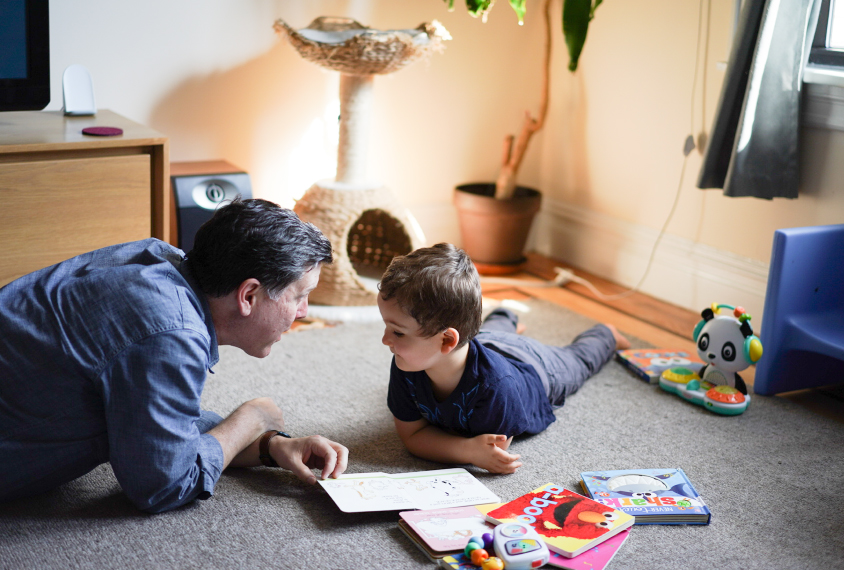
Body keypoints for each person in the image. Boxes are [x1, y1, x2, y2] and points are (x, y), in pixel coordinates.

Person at [0, 198, 348, 513]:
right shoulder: (170, 331)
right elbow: (163, 484)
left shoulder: (158, 258)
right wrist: (251, 418)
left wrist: (269, 444)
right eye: (298, 296)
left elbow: (157, 422)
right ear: (249, 295)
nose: (302, 312)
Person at [377, 243, 630, 474]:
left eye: (398, 332)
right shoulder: (406, 362)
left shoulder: (497, 386)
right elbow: (412, 437)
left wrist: (475, 452)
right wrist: (466, 449)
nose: (385, 340)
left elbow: (494, 452)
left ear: (446, 341)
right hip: (486, 341)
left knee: (579, 361)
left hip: (536, 367)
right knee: (491, 334)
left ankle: (606, 334)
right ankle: (507, 313)